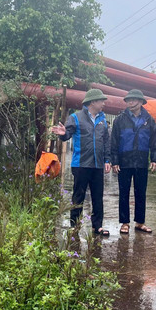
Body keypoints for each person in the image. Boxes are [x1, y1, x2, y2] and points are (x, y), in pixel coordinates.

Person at [50, 88, 112, 236]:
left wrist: (107, 160)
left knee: (98, 196)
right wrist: (63, 134)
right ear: (93, 102)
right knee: (78, 196)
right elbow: (67, 133)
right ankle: (74, 225)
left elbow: (106, 142)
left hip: (97, 164)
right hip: (81, 164)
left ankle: (97, 226)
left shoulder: (102, 120)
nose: (103, 103)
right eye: (101, 100)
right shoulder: (76, 117)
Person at [110, 89, 156, 235]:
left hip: (141, 161)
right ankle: (124, 223)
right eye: (128, 100)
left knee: (141, 192)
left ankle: (140, 222)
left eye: (132, 100)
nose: (129, 102)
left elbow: (154, 141)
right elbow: (114, 142)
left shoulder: (149, 120)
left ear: (140, 102)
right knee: (124, 192)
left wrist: (154, 159)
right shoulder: (120, 119)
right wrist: (115, 161)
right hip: (124, 162)